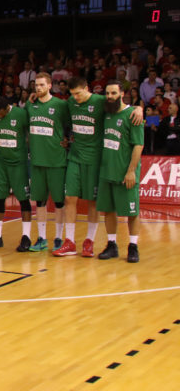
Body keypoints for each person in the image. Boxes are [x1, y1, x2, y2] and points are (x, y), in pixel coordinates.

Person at [54, 76, 143, 257]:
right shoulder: (71, 102)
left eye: (78, 93)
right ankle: (70, 241)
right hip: (76, 157)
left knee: (93, 202)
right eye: (73, 94)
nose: (76, 97)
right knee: (69, 198)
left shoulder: (102, 101)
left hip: (96, 160)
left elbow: (122, 108)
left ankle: (90, 241)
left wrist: (139, 108)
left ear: (87, 88)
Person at [97, 81, 144, 263]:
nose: (110, 96)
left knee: (132, 212)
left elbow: (138, 145)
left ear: (122, 94)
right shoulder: (106, 112)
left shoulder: (132, 115)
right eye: (107, 93)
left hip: (125, 172)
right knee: (108, 211)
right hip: (106, 171)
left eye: (114, 93)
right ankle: (111, 245)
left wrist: (131, 171)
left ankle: (133, 246)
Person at [21, 72, 69, 252]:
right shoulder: (30, 105)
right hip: (36, 161)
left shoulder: (60, 105)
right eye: (36, 85)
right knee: (39, 202)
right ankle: (41, 238)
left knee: (59, 202)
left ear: (50, 86)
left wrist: (68, 140)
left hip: (56, 161)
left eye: (42, 85)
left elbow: (71, 124)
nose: (39, 88)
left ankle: (58, 237)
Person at [0, 95, 32, 249]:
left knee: (23, 199)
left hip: (18, 164)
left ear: (7, 108)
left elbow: (32, 133)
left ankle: (26, 236)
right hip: (0, 163)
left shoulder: (20, 114)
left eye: (1, 113)